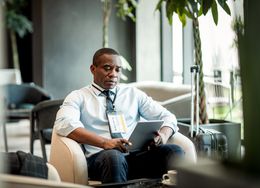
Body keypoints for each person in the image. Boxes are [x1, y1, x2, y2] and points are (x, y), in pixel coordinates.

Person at [54, 48, 185, 183]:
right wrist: (105, 143)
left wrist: (163, 135)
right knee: (114, 157)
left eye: (118, 69)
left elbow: (168, 117)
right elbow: (64, 124)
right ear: (93, 69)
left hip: (135, 156)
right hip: (101, 158)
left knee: (174, 151)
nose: (113, 74)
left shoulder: (133, 94)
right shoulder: (78, 96)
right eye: (107, 68)